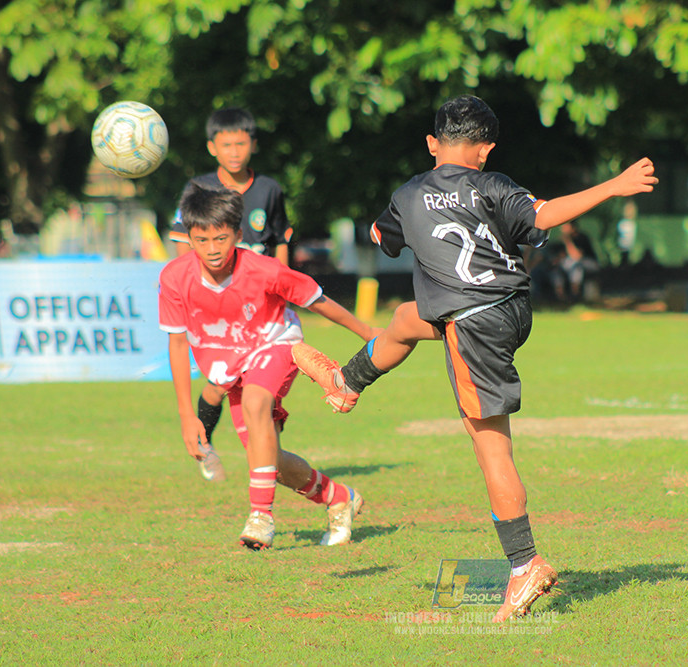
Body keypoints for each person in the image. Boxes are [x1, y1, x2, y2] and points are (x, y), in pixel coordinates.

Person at [293, 95, 658, 621]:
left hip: (473, 323)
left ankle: (524, 563)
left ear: (431, 144)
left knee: (491, 447)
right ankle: (347, 381)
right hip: (511, 310)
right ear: (485, 150)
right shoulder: (494, 185)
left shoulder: (408, 194)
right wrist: (613, 185)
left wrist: (399, 224)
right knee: (406, 318)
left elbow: (379, 235)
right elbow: (543, 215)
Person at [159, 183, 377, 550]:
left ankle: (261, 516)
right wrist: (186, 415)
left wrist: (368, 333)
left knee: (256, 403)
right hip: (230, 365)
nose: (212, 249)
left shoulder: (265, 270)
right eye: (202, 240)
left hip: (274, 343)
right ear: (189, 239)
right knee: (268, 461)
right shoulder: (174, 278)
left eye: (221, 238)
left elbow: (317, 300)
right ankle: (339, 497)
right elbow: (178, 344)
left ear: (238, 234)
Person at [169, 107, 293, 483]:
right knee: (220, 384)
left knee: (245, 386)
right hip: (220, 305)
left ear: (252, 144)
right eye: (227, 145)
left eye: (241, 144)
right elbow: (182, 242)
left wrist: (284, 287)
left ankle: (265, 452)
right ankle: (207, 445)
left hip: (262, 308)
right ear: (212, 147)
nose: (235, 152)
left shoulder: (269, 189)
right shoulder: (198, 188)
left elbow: (279, 240)